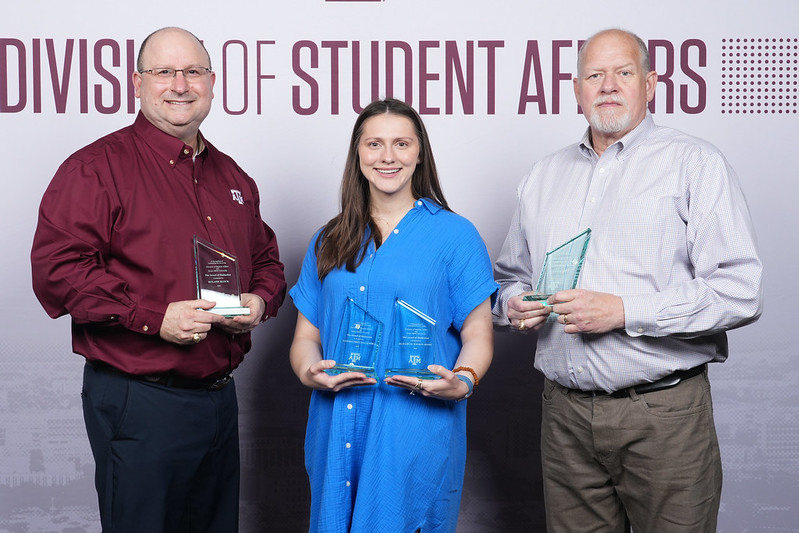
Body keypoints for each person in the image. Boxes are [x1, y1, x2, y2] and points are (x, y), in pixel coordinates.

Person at [492, 29, 763, 533]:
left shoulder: (695, 164)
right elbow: (510, 277)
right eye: (594, 75)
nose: (608, 86)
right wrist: (513, 304)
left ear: (651, 83)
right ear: (576, 89)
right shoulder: (543, 175)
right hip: (564, 418)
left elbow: (740, 292)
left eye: (624, 72)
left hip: (663, 414)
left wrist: (624, 311)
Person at [30, 27, 286, 533]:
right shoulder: (95, 170)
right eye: (164, 71)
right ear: (137, 83)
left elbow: (268, 262)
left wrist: (258, 301)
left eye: (193, 71)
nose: (180, 84)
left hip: (219, 398)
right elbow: (57, 271)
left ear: (212, 83)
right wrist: (153, 318)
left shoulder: (234, 178)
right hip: (139, 398)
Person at [289, 98, 497, 532]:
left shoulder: (455, 236)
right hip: (336, 424)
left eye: (401, 143)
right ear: (358, 154)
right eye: (374, 144)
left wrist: (464, 380)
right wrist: (310, 372)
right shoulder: (327, 239)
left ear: (419, 152)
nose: (388, 157)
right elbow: (306, 336)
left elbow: (478, 333)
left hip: (415, 423)